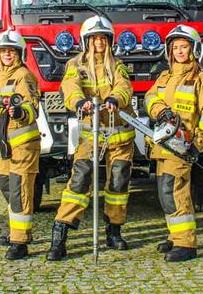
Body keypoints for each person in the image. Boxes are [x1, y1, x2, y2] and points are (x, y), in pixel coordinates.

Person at [46, 15, 136, 261]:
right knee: (79, 181)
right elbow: (69, 87)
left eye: (103, 38)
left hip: (120, 136)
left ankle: (114, 232)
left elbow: (124, 87)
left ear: (109, 40)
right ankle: (60, 235)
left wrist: (115, 99)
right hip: (91, 136)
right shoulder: (76, 64)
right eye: (94, 38)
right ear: (87, 41)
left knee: (118, 183)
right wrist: (79, 102)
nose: (99, 42)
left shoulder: (117, 65)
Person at [144, 25, 203, 262]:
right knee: (165, 192)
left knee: (174, 191)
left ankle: (186, 244)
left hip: (182, 147)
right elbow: (150, 98)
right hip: (162, 146)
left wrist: (196, 144)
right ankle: (176, 236)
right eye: (175, 47)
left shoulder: (200, 79)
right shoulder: (165, 76)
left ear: (193, 49)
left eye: (184, 46)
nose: (179, 51)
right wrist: (162, 112)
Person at [0, 29, 41, 260]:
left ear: (19, 53)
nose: (7, 55)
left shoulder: (24, 76)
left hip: (23, 144)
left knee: (19, 192)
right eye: (3, 51)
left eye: (11, 51)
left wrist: (20, 111)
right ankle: (19, 231)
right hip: (6, 147)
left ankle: (19, 242)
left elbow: (32, 107)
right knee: (6, 185)